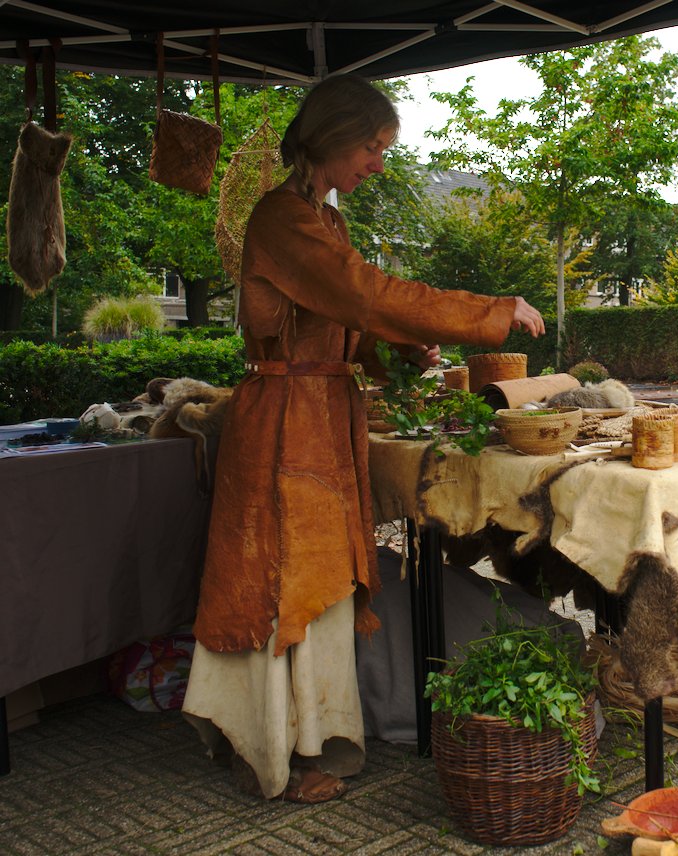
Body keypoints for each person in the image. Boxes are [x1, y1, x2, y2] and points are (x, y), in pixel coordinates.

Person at [181, 74, 545, 804]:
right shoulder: (281, 219)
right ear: (333, 136)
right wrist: (489, 311)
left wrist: (394, 353)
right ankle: (274, 757)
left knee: (320, 591)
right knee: (285, 587)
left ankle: (310, 741)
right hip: (283, 428)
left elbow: (349, 325)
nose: (378, 162)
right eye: (373, 146)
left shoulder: (326, 222)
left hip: (318, 418)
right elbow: (369, 294)